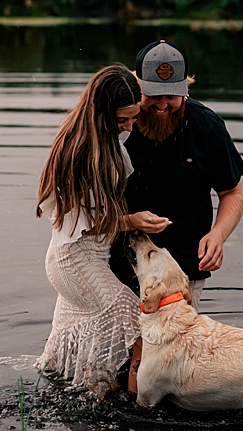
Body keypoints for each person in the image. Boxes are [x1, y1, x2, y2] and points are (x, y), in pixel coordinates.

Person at [31, 65, 172, 398]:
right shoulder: (80, 152)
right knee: (136, 325)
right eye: (121, 120)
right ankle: (123, 406)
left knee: (60, 354)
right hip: (76, 260)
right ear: (100, 112)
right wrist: (131, 221)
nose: (129, 127)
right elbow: (80, 222)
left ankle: (62, 395)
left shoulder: (102, 141)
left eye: (132, 118)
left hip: (83, 258)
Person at [112, 40, 243, 309]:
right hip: (117, 261)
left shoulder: (207, 127)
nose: (162, 105)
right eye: (153, 95)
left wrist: (218, 235)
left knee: (175, 348)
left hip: (182, 268)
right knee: (118, 350)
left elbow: (232, 191)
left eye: (171, 95)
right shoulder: (119, 124)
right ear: (136, 86)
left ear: (186, 87)